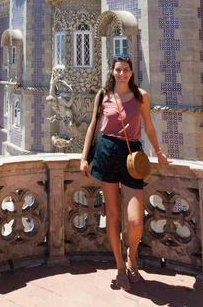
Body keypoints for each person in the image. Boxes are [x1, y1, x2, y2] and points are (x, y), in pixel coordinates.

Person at [80, 56, 169, 290]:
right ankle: (120, 266)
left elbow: (148, 125)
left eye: (126, 70)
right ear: (112, 71)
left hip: (132, 157)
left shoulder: (141, 96)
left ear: (131, 72)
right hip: (106, 154)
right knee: (112, 214)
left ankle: (132, 255)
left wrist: (158, 152)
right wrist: (84, 157)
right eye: (118, 70)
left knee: (135, 220)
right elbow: (93, 126)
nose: (122, 73)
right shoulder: (103, 96)